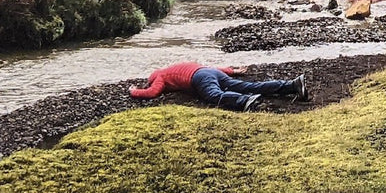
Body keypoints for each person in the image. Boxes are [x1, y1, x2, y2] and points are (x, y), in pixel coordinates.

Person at [129, 61, 308, 111]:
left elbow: (152, 92)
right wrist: (232, 71)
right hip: (210, 71)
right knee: (247, 85)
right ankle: (291, 85)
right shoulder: (174, 67)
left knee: (213, 95)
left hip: (198, 77)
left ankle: (244, 101)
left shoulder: (159, 75)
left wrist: (134, 91)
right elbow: (210, 68)